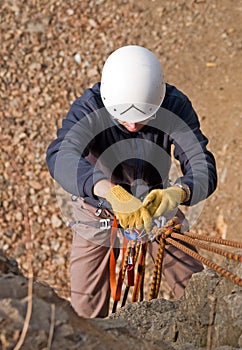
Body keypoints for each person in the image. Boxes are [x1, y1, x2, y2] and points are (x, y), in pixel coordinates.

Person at [46, 45, 217, 318]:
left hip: (154, 205)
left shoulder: (173, 105)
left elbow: (202, 164)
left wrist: (179, 192)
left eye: (143, 116)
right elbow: (60, 154)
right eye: (122, 117)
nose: (133, 125)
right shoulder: (91, 107)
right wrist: (108, 191)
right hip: (98, 208)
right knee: (85, 306)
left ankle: (205, 332)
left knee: (196, 290)